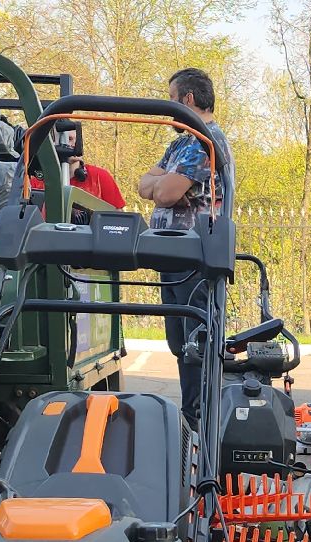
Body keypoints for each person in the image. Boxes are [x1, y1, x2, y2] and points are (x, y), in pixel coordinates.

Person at [137, 67, 232, 421]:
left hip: (194, 257)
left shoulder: (205, 140)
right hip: (171, 256)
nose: (168, 110)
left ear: (187, 100)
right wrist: (158, 184)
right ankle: (191, 413)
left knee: (197, 343)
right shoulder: (180, 143)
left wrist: (160, 185)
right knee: (180, 343)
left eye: (171, 100)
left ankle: (199, 417)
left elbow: (164, 192)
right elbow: (144, 184)